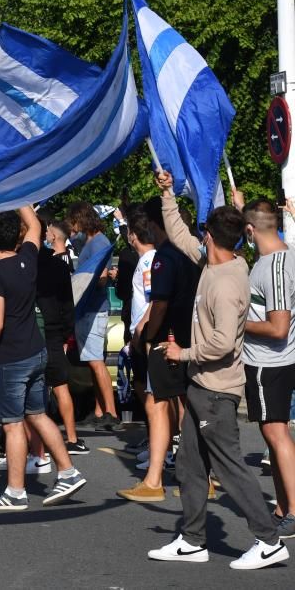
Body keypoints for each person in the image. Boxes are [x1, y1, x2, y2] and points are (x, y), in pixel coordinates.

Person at [151, 171, 288, 569]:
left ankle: (268, 539)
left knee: (228, 468)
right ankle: (193, 540)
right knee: (191, 465)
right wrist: (167, 195)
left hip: (215, 390)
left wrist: (183, 353)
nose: (198, 237)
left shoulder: (226, 282)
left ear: (209, 235)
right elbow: (178, 234)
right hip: (201, 386)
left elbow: (225, 342)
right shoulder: (213, 263)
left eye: (202, 232)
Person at [0, 206, 87, 511]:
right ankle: (68, 471)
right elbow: (34, 226)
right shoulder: (27, 260)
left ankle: (15, 492)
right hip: (36, 350)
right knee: (37, 414)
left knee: (13, 425)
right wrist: (20, 195)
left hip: (11, 358)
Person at [117, 202, 193, 502]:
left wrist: (146, 334)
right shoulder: (192, 255)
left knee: (160, 404)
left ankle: (154, 480)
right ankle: (200, 475)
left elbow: (158, 303)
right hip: (186, 338)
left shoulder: (164, 257)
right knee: (185, 405)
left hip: (166, 339)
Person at [233, 193, 295, 539]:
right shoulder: (287, 256)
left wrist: (237, 322)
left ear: (250, 230)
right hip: (278, 360)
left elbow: (277, 327)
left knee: (275, 432)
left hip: (270, 361)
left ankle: (293, 510)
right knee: (273, 435)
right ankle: (283, 507)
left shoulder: (272, 267)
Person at [67, 202, 120, 431]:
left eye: (74, 223)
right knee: (91, 361)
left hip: (95, 307)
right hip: (88, 308)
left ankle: (111, 411)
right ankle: (100, 410)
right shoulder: (90, 241)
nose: (73, 228)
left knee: (97, 362)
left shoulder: (99, 241)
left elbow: (103, 276)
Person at [37, 217, 87, 456]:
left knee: (34, 387)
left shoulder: (25, 264)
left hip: (36, 330)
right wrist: (68, 332)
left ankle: (38, 446)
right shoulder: (59, 265)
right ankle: (72, 437)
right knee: (60, 385)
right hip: (56, 330)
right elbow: (68, 303)